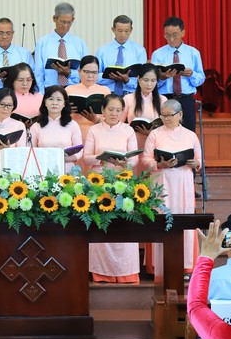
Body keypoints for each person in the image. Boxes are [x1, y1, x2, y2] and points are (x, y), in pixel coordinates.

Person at [82, 94, 140, 284]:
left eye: (118, 110)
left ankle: (126, 272)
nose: (114, 114)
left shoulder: (128, 130)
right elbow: (86, 158)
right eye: (110, 109)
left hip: (123, 182)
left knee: (124, 226)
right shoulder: (94, 130)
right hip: (99, 182)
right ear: (103, 110)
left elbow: (134, 159)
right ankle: (101, 272)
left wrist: (124, 163)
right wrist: (101, 158)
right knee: (101, 225)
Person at [142, 99, 201, 275]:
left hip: (183, 183)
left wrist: (195, 163)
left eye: (170, 115)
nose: (166, 119)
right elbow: (145, 160)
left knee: (183, 219)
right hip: (161, 181)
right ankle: (158, 266)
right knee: (161, 217)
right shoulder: (155, 134)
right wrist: (159, 164)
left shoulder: (190, 135)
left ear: (180, 114)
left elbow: (199, 160)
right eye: (163, 115)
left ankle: (185, 265)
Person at [151, 16, 205, 132]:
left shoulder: (193, 53)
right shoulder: (158, 54)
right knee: (164, 132)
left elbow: (201, 79)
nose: (171, 39)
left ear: (183, 33)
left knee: (188, 132)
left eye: (174, 35)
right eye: (167, 35)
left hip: (186, 98)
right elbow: (151, 82)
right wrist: (163, 78)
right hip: (165, 98)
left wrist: (192, 74)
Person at [122, 64, 167, 175]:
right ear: (138, 78)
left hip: (155, 144)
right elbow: (119, 124)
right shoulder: (128, 99)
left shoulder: (162, 100)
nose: (149, 84)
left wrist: (151, 133)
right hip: (133, 143)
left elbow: (167, 126)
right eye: (146, 80)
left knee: (151, 177)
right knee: (135, 174)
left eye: (153, 80)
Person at [35, 2, 89, 88]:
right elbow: (38, 72)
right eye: (62, 22)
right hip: (50, 89)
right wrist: (41, 92)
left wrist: (70, 72)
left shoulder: (80, 44)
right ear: (54, 18)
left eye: (69, 22)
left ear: (73, 19)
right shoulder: (42, 43)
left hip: (74, 88)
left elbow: (87, 70)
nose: (65, 26)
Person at [0, 18, 37, 95]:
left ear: (13, 33)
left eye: (8, 33)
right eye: (1, 33)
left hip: (19, 97)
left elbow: (33, 78)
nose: (4, 36)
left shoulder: (25, 53)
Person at [30, 85, 83, 172]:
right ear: (45, 102)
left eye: (59, 100)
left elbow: (79, 151)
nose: (55, 103)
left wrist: (64, 158)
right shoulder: (36, 126)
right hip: (43, 169)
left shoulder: (72, 125)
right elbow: (30, 151)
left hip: (67, 170)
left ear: (64, 104)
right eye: (51, 99)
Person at [95, 15, 147, 95]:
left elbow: (143, 78)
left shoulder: (139, 51)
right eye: (119, 31)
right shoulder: (102, 51)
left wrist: (127, 80)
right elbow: (95, 75)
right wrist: (110, 77)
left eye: (127, 31)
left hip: (131, 94)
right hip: (108, 93)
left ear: (131, 30)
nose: (123, 34)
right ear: (113, 30)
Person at [65, 55, 110, 142]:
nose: (90, 76)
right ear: (79, 71)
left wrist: (96, 119)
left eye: (94, 72)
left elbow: (111, 118)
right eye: (86, 72)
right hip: (73, 133)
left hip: (98, 133)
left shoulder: (105, 90)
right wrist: (66, 111)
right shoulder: (69, 90)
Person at [2, 63, 43, 131]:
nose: (25, 84)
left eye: (29, 80)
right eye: (20, 80)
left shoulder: (40, 97)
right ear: (12, 80)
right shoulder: (4, 98)